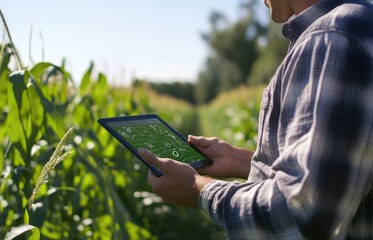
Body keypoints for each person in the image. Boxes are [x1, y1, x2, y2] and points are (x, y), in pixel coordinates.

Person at [138, 0, 373, 238]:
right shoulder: (353, 27)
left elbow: (302, 215)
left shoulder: (331, 37)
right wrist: (241, 160)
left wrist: (199, 190)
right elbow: (342, 170)